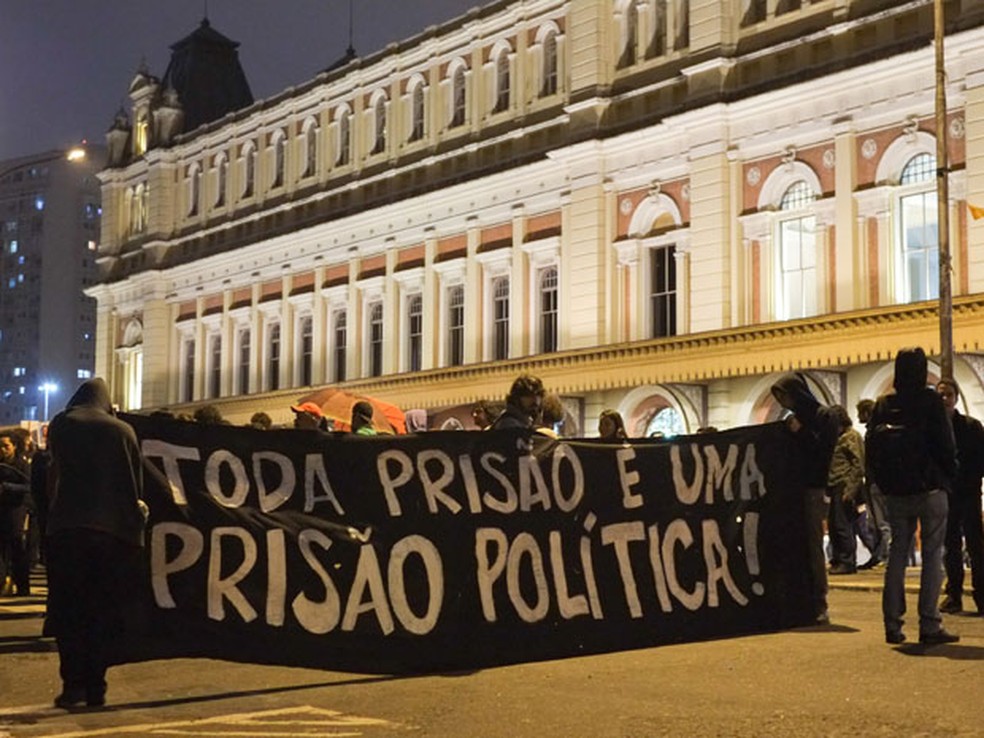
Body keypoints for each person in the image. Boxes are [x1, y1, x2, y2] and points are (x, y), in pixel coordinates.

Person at [45, 377, 147, 707]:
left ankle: (72, 684)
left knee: (69, 609)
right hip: (110, 534)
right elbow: (135, 484)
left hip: (68, 529)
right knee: (100, 611)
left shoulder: (63, 423)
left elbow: (54, 469)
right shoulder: (123, 431)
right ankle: (96, 685)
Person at [867, 348, 958, 645]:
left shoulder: (883, 404)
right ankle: (929, 623)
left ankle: (892, 624)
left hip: (895, 491)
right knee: (932, 555)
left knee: (897, 553)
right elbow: (945, 444)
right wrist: (948, 476)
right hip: (930, 488)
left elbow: (872, 449)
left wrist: (882, 482)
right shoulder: (930, 400)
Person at [770, 373, 840, 625]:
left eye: (785, 396)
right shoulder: (792, 419)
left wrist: (802, 433)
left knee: (812, 547)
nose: (783, 402)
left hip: (812, 488)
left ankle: (818, 600)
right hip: (791, 490)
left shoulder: (824, 416)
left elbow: (823, 453)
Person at [936, 378, 984, 616]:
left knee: (976, 545)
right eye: (941, 395)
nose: (944, 399)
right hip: (946, 494)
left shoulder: (971, 427)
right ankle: (954, 594)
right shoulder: (933, 429)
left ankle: (981, 594)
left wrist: (973, 481)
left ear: (955, 398)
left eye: (948, 395)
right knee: (951, 546)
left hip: (968, 492)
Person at [826, 405, 864, 575]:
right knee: (834, 525)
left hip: (844, 484)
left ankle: (847, 561)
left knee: (843, 525)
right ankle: (838, 559)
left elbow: (858, 465)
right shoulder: (837, 437)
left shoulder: (851, 437)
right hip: (834, 484)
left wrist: (851, 490)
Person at [856, 398, 889, 569]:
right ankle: (878, 555)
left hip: (877, 481)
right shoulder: (873, 431)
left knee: (882, 522)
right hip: (871, 481)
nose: (858, 416)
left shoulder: (878, 431)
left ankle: (885, 555)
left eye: (860, 412)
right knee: (874, 522)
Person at [0, 432, 31, 597]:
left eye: (6, 446)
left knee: (17, 547)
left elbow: (29, 486)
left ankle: (22, 585)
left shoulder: (21, 465)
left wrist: (7, 487)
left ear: (14, 446)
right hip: (1, 509)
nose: (3, 450)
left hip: (15, 510)